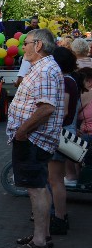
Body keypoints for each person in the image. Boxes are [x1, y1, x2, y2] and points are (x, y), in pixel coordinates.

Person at [6, 29, 64, 248]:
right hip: (34, 139)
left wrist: (22, 131)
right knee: (39, 186)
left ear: (38, 45)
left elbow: (46, 108)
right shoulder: (43, 68)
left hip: (33, 139)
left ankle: (39, 241)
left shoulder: (46, 70)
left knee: (36, 189)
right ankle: (43, 235)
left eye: (26, 43)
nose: (23, 47)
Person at [44, 47, 78, 237]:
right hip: (67, 132)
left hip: (61, 133)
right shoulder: (71, 80)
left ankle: (59, 217)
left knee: (55, 179)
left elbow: (63, 111)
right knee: (57, 179)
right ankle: (59, 216)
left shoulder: (64, 81)